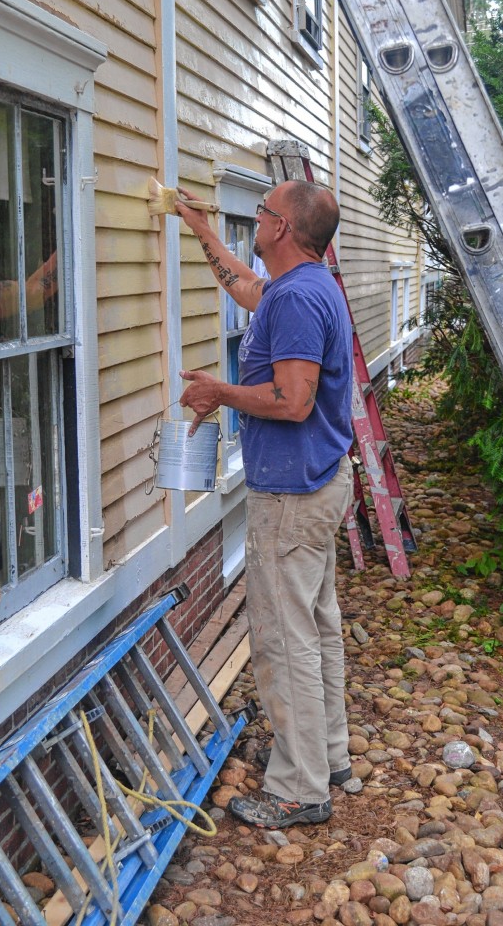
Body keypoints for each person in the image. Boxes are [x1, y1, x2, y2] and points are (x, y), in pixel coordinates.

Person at [176, 180, 354, 829]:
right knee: (315, 626)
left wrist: (219, 393)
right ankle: (328, 756)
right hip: (313, 484)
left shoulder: (302, 299)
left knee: (283, 641)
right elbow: (247, 290)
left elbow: (293, 400)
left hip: (291, 496)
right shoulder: (295, 289)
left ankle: (300, 790)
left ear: (280, 229)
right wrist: (199, 229)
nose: (254, 217)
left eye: (260, 211)